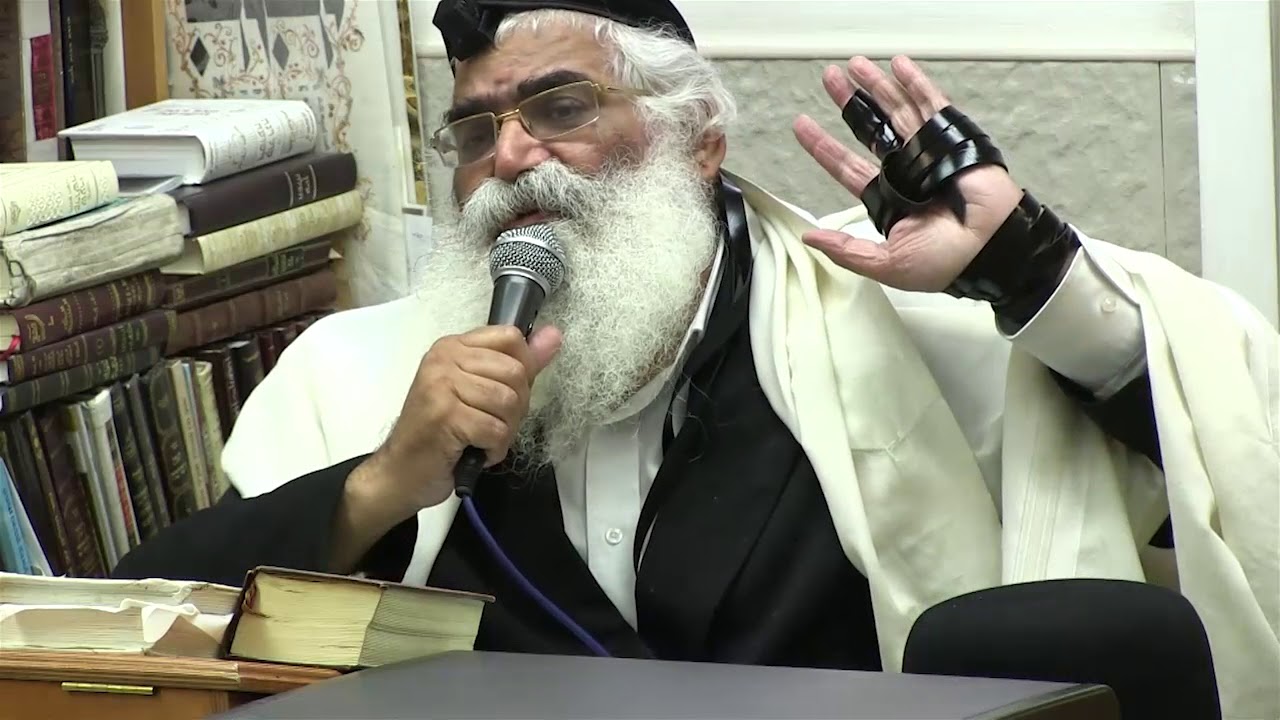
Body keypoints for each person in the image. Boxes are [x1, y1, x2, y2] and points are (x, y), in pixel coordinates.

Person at [114, 1, 1279, 715]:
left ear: (697, 141)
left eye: (558, 108)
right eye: (474, 130)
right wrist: (379, 485)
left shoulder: (879, 326)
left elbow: (1220, 463)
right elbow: (130, 625)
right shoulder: (364, 375)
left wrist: (1025, 272)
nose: (508, 157)